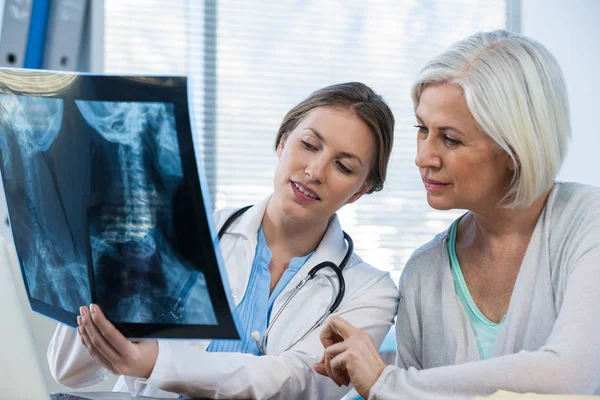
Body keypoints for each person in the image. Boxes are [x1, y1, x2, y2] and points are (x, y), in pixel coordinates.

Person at [47, 82, 400, 399]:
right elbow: (69, 371)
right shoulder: (186, 233)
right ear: (282, 142)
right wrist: (108, 264)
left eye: (344, 166)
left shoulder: (370, 292)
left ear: (360, 191)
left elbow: (295, 381)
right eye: (309, 145)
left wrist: (154, 363)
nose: (315, 172)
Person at [314, 30, 600, 399]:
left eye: (450, 139)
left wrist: (386, 382)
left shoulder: (588, 224)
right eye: (422, 129)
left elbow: (568, 378)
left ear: (514, 149)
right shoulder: (424, 272)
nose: (423, 157)